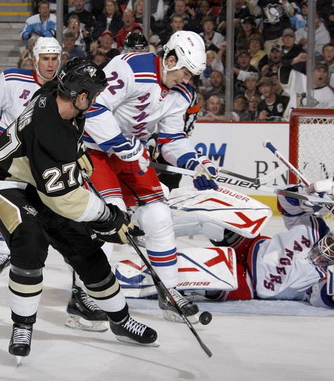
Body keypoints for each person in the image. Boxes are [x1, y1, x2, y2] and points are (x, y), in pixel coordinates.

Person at [0, 57, 158, 360]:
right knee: (30, 242)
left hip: (41, 185)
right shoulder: (50, 128)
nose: (96, 100)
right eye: (94, 95)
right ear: (80, 96)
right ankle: (22, 325)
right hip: (10, 188)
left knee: (88, 251)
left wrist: (78, 161)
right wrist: (109, 217)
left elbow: (65, 161)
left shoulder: (58, 99)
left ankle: (120, 319)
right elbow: (63, 199)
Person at [83, 30, 216, 323]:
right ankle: (86, 295)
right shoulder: (130, 66)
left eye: (191, 75)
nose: (186, 80)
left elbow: (171, 140)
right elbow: (92, 106)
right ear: (169, 59)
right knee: (109, 218)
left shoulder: (181, 93)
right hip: (96, 151)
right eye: (184, 71)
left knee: (159, 216)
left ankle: (169, 291)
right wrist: (122, 145)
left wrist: (195, 163)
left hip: (131, 155)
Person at [0, 37, 62, 277]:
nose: (50, 65)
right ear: (34, 59)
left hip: (43, 158)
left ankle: (35, 249)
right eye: (45, 59)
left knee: (41, 209)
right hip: (9, 155)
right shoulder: (12, 79)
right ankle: (2, 251)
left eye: (54, 59)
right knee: (4, 200)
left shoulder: (65, 87)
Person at [205, 188, 334, 309]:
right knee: (219, 216)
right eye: (331, 241)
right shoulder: (314, 227)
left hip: (250, 282)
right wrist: (306, 195)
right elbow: (285, 200)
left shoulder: (322, 278)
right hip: (251, 245)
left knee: (203, 275)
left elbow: (325, 298)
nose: (328, 247)